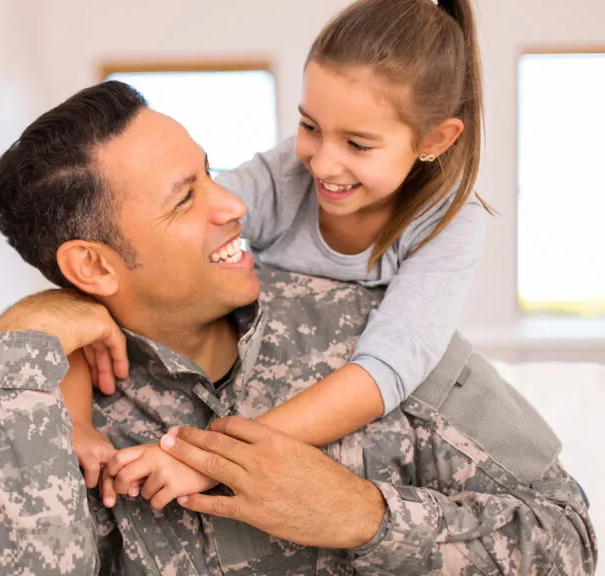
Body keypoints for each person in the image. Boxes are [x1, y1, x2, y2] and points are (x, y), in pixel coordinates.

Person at [0, 80, 596, 575]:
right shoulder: (47, 408)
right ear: (92, 267)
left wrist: (363, 516)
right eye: (187, 197)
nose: (235, 205)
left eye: (209, 172)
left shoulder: (374, 330)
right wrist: (22, 345)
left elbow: (567, 543)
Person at [63, 0, 494, 504]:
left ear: (436, 139)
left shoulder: (449, 224)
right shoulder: (286, 172)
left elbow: (384, 373)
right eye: (310, 127)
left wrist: (206, 462)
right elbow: (162, 248)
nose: (323, 163)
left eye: (358, 144)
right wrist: (74, 422)